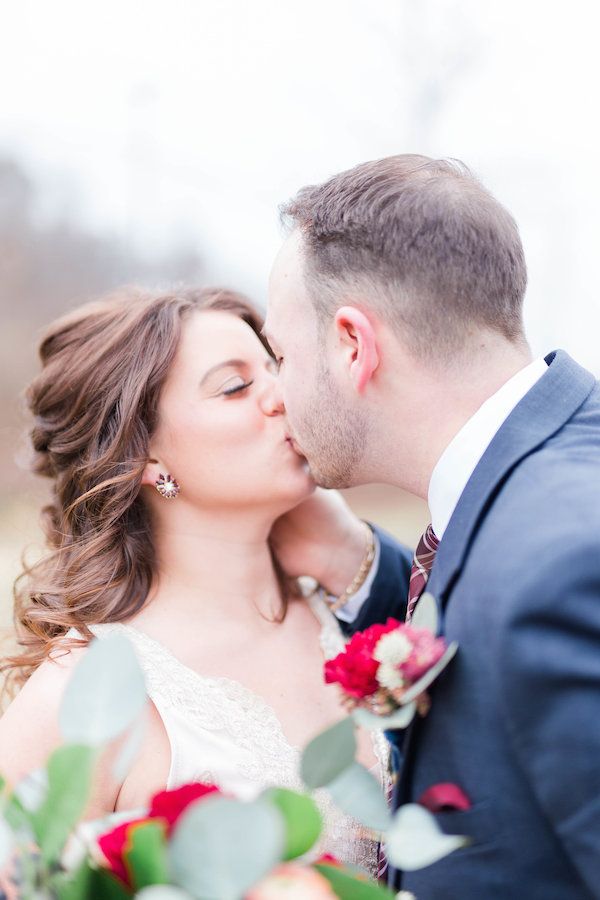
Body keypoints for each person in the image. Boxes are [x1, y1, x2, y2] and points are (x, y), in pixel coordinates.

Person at [266, 154, 600, 898]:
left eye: (281, 356)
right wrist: (360, 565)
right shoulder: (533, 494)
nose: (275, 394)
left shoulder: (560, 563)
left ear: (354, 344)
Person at [0, 286, 405, 875]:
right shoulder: (88, 696)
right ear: (145, 459)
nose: (282, 395)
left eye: (277, 367)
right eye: (236, 386)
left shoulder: (355, 609)